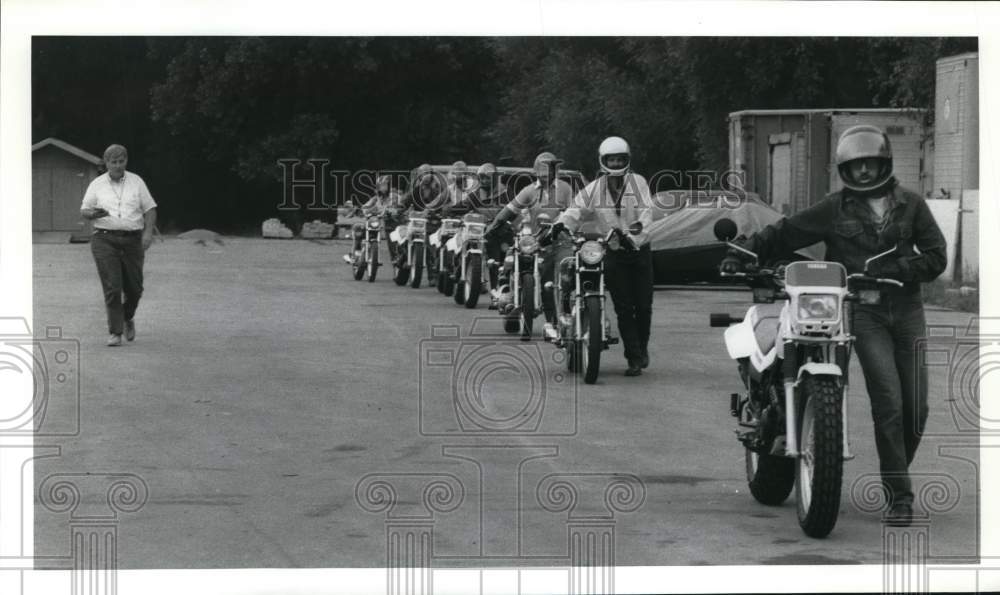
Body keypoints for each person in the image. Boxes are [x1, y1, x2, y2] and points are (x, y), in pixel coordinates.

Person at [720, 124, 947, 527]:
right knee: (889, 404)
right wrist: (746, 251)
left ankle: (894, 472)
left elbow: (936, 255)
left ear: (884, 163)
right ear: (845, 168)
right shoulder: (834, 207)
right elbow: (786, 230)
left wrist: (900, 267)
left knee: (917, 408)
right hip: (863, 311)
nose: (863, 172)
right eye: (855, 166)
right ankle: (900, 495)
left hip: (907, 309)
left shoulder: (911, 204)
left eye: (870, 164)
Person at [553, 137, 654, 376]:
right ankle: (634, 358)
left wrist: (633, 237)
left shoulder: (638, 183)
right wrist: (559, 225)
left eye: (620, 158)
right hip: (613, 251)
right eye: (612, 159)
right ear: (603, 160)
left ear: (627, 159)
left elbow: (647, 214)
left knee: (643, 306)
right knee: (623, 306)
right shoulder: (595, 188)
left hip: (639, 251)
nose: (616, 162)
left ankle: (642, 347)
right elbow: (575, 210)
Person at [79, 144, 157, 346]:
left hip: (132, 240)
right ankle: (115, 332)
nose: (117, 166)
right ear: (106, 163)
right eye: (113, 162)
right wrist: (93, 214)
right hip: (104, 239)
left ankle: (127, 316)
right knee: (113, 287)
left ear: (126, 161)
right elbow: (85, 210)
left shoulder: (136, 182)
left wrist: (147, 233)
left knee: (135, 288)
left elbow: (150, 209)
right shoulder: (97, 184)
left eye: (121, 161)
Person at [485, 152, 574, 330]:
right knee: (526, 269)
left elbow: (576, 211)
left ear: (555, 170)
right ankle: (509, 296)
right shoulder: (529, 191)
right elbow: (510, 208)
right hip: (537, 242)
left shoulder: (565, 189)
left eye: (549, 168)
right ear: (535, 170)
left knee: (563, 278)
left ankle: (561, 319)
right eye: (541, 168)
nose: (545, 172)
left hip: (561, 242)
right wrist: (494, 224)